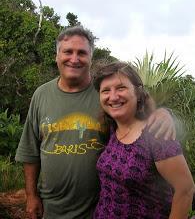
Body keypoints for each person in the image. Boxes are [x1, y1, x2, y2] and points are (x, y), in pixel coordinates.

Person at [15, 25, 176, 219]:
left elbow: (137, 110)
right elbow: (30, 151)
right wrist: (31, 196)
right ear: (56, 56)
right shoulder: (42, 95)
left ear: (91, 58)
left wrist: (163, 113)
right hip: (51, 208)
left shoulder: (105, 94)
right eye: (68, 52)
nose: (74, 59)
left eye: (82, 53)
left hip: (99, 208)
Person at [92, 61, 195, 219]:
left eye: (121, 88)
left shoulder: (156, 134)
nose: (113, 96)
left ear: (138, 93)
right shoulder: (112, 128)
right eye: (106, 90)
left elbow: (186, 189)